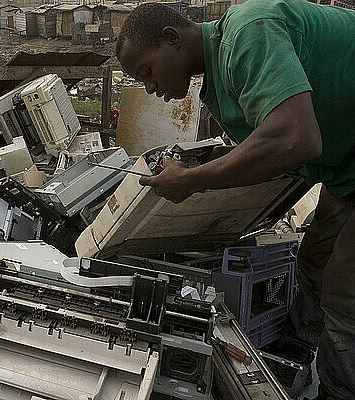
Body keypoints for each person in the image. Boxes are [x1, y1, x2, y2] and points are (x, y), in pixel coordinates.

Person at [115, 1, 355, 399]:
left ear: (171, 40)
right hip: (346, 170)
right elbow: (263, 152)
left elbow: (296, 138)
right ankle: (294, 356)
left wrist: (193, 180)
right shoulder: (218, 85)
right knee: (315, 261)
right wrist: (205, 163)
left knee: (345, 296)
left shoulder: (249, 31)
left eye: (147, 72)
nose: (151, 89)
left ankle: (338, 392)